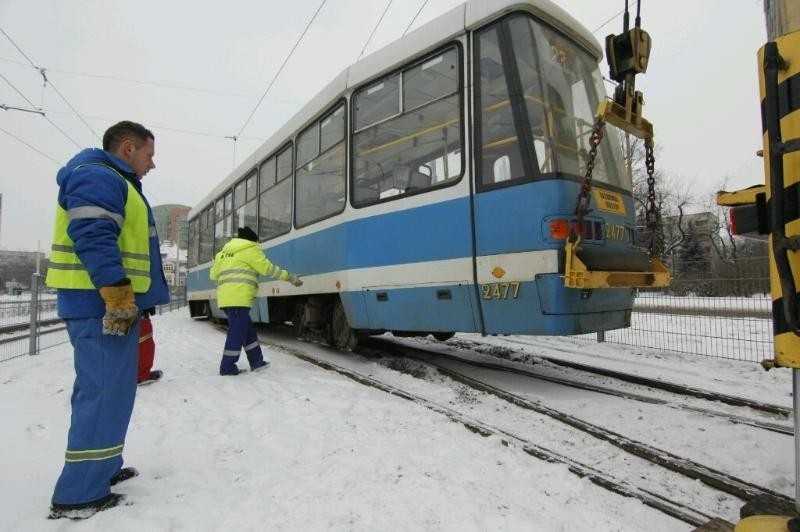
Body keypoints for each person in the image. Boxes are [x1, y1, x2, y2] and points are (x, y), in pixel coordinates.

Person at [45, 120, 170, 519]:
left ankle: (103, 469)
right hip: (99, 303)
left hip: (107, 302)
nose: (153, 163)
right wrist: (116, 293)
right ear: (128, 147)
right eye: (149, 154)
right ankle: (78, 494)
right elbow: (94, 235)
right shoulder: (99, 177)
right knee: (101, 393)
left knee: (114, 392)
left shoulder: (111, 179)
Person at [210, 226, 302, 376]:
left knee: (247, 330)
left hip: (226, 299)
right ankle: (227, 367)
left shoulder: (223, 253)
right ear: (252, 240)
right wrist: (289, 277)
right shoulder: (250, 249)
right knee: (237, 332)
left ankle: (256, 361)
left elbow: (213, 276)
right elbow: (268, 269)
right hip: (239, 299)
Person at [137, 307, 163, 385]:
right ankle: (142, 375)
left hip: (115, 311)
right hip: (137, 311)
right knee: (145, 345)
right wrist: (148, 303)